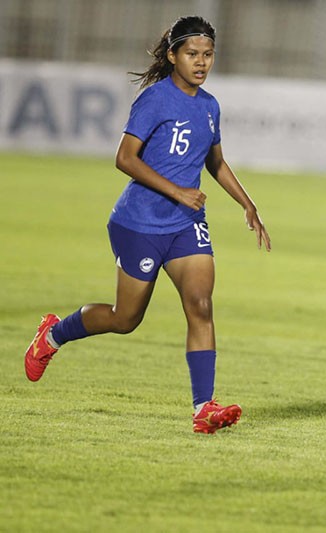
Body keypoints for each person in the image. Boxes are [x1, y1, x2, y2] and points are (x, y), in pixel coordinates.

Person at [23, 16, 271, 434]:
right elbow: (125, 158)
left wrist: (248, 204)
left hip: (186, 223)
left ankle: (203, 407)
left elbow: (216, 162)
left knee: (201, 305)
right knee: (126, 319)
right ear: (173, 55)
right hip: (139, 222)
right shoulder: (155, 99)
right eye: (192, 54)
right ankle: (53, 335)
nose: (201, 62)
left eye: (208, 55)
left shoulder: (209, 106)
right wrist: (178, 191)